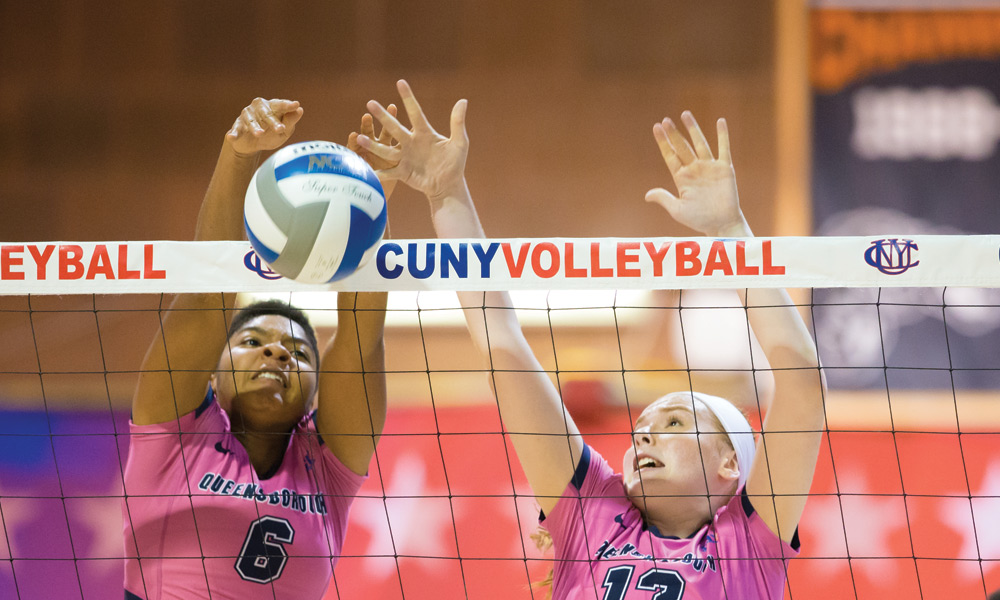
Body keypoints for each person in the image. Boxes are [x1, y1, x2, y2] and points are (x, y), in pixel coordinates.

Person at [356, 80, 826, 598]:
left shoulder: (748, 544)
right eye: (643, 426)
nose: (642, 435)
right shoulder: (592, 516)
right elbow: (502, 345)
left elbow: (802, 380)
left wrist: (732, 234)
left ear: (730, 463)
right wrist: (446, 194)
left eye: (673, 421)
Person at [123, 97, 396, 600]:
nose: (276, 354)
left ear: (317, 395)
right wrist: (239, 155)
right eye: (252, 341)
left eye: (298, 352)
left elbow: (360, 339)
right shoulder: (173, 433)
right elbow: (208, 299)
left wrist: (370, 203)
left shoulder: (327, 467)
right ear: (214, 373)